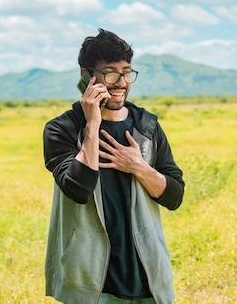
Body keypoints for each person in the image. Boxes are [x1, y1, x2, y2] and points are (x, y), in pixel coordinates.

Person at [43, 29, 185, 304]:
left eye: (127, 72)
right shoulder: (61, 130)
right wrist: (92, 124)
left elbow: (175, 196)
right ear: (86, 76)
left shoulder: (148, 126)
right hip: (90, 283)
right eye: (110, 73)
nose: (121, 83)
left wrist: (139, 167)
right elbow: (78, 189)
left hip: (148, 278)